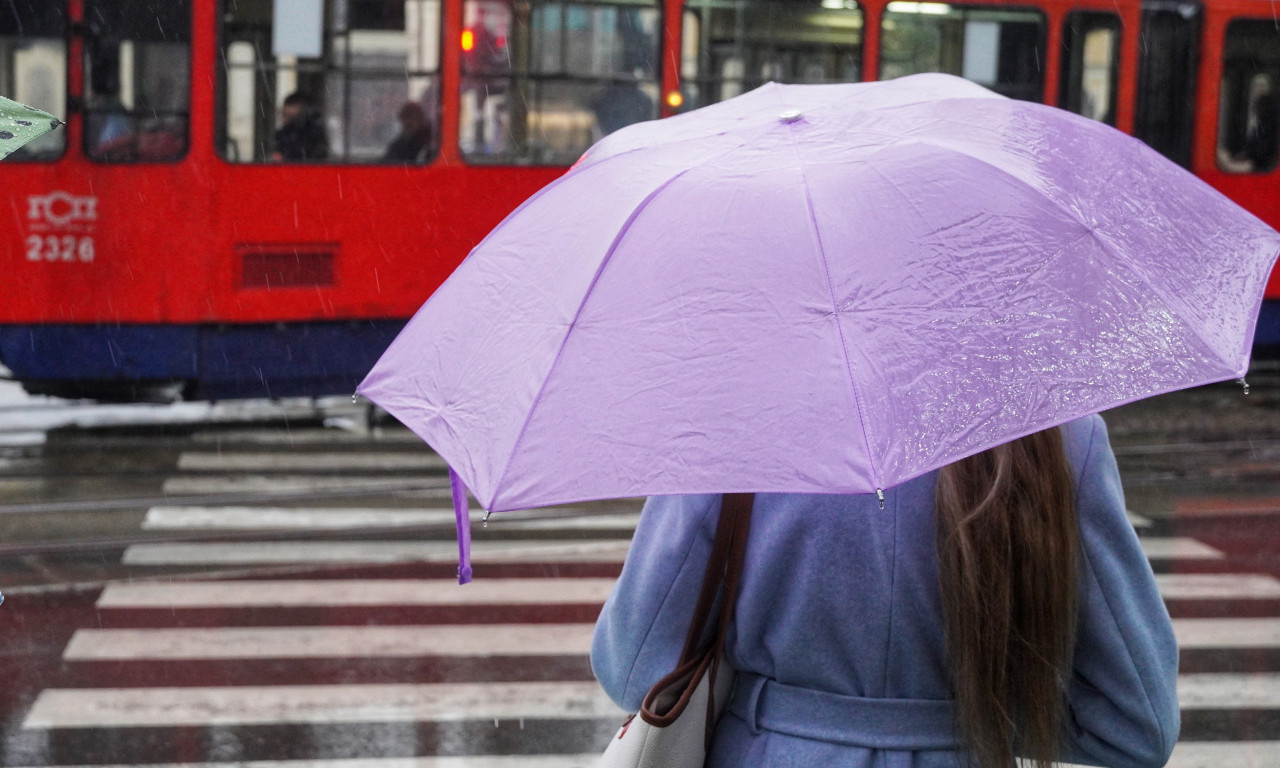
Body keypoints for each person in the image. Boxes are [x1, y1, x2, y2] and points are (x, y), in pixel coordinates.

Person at [593, 414, 1179, 768]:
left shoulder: (732, 428)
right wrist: (953, 717)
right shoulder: (1060, 438)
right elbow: (1136, 724)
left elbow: (634, 666)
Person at [271, 92, 329, 162]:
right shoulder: (281, 135)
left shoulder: (314, 136)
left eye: (291, 117)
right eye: (284, 115)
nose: (284, 120)